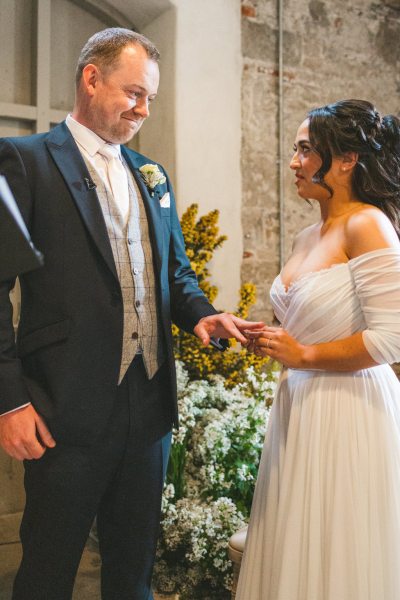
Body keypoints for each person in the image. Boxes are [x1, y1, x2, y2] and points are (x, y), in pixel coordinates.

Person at [0, 28, 262, 600]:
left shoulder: (153, 176)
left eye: (151, 100)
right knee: (47, 574)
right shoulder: (24, 161)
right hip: (61, 410)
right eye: (134, 93)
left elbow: (175, 275)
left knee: (132, 574)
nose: (143, 110)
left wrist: (202, 315)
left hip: (147, 411)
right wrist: (10, 400)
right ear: (91, 79)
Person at [237, 99, 400, 600]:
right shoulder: (309, 233)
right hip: (299, 406)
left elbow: (389, 338)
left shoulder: (367, 224)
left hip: (347, 412)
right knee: (296, 544)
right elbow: (306, 320)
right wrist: (267, 336)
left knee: (339, 550)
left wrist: (304, 356)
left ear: (347, 159)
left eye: (306, 150)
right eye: (296, 149)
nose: (294, 162)